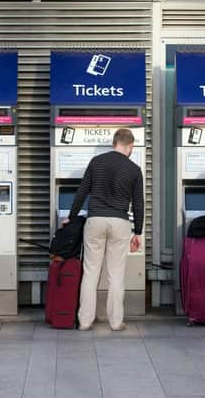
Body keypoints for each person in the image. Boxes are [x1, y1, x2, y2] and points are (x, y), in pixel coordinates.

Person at [68, 128, 144, 331]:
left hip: (95, 220)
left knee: (90, 273)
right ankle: (116, 322)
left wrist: (72, 217)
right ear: (130, 146)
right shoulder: (134, 169)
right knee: (116, 275)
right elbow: (138, 203)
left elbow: (82, 191)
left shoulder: (97, 162)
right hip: (119, 222)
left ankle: (85, 321)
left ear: (114, 143)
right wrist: (138, 231)